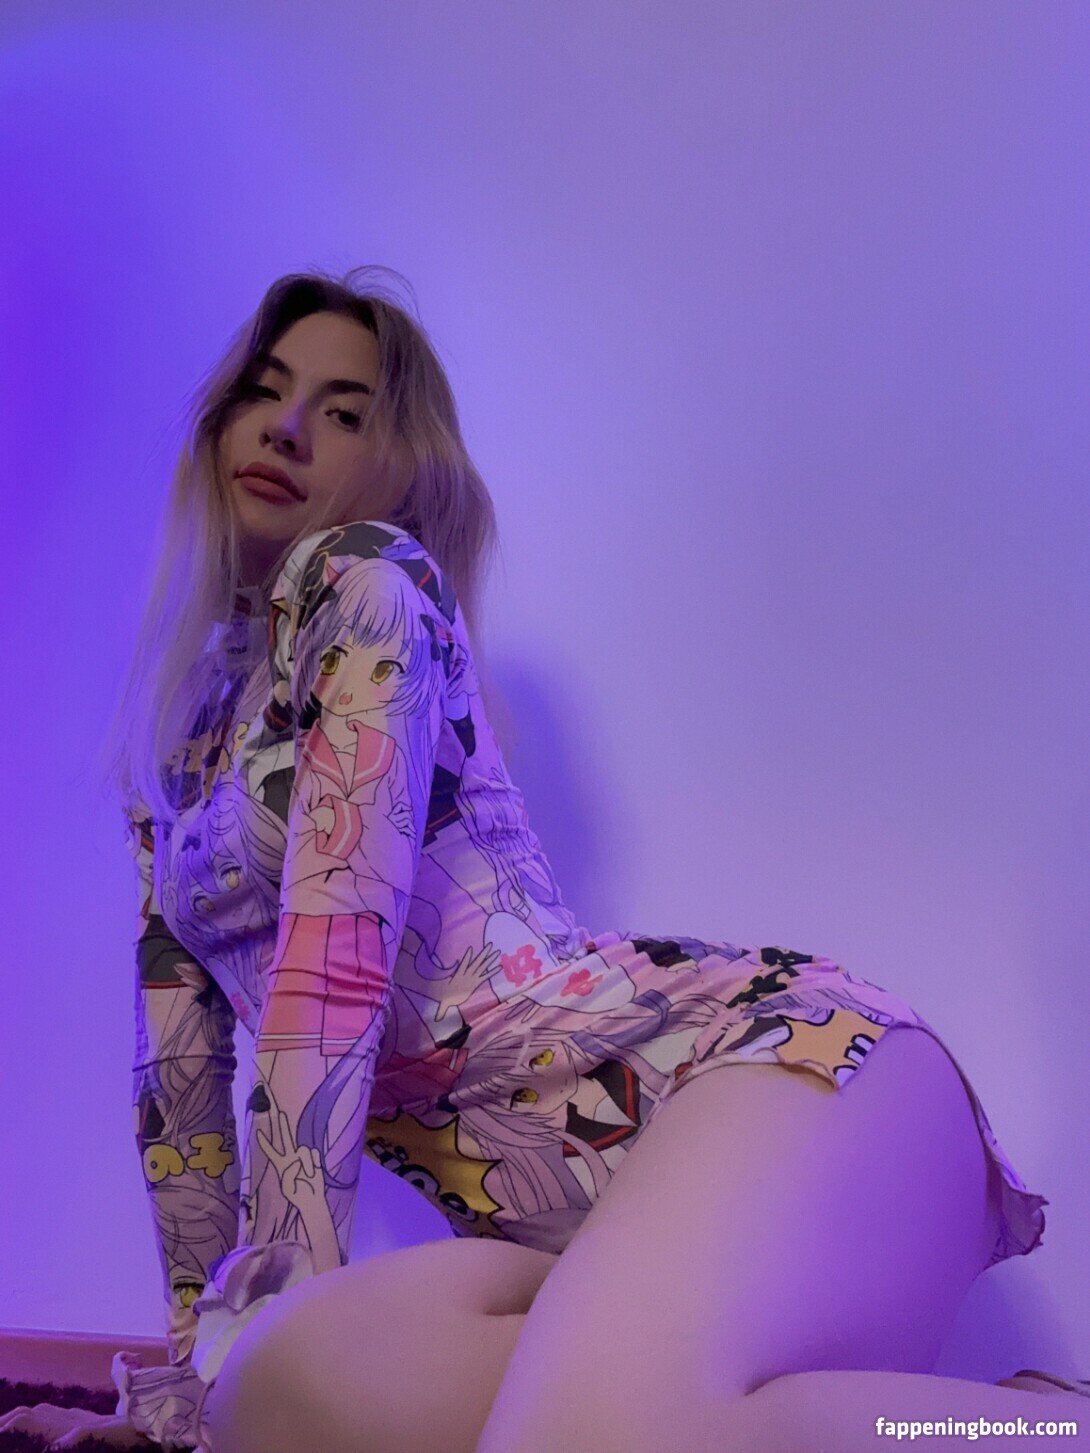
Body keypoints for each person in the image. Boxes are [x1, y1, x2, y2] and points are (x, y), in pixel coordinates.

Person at [6, 267, 1084, 1453]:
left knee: (558, 1425)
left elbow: (333, 966)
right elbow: (180, 1091)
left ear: (403, 466)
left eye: (344, 410)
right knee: (295, 1393)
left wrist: (268, 1315)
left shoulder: (366, 580)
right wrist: (193, 1393)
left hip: (784, 1069)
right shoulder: (186, 739)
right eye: (261, 392)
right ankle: (1012, 1425)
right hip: (603, 1251)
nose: (288, 426)